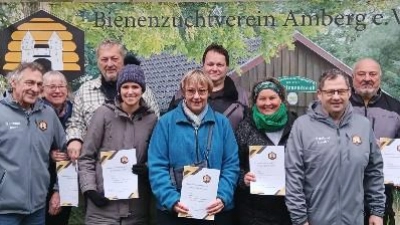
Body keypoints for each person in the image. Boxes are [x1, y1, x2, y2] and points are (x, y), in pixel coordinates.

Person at [285, 69, 385, 225]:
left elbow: (374, 172)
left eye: (341, 91)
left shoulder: (363, 126)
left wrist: (377, 211)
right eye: (330, 92)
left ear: (349, 92)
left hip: (354, 220)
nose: (336, 97)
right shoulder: (302, 126)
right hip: (315, 220)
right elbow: (293, 176)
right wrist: (300, 219)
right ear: (319, 94)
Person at [149, 69, 239, 225]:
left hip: (215, 210)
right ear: (183, 92)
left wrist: (222, 196)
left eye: (202, 91)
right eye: (191, 91)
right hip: (175, 212)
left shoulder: (222, 123)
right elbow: (156, 166)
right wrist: (171, 200)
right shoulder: (166, 123)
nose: (196, 96)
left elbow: (231, 164)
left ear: (209, 92)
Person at [78, 64, 157, 224]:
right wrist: (90, 189)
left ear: (142, 90)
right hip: (102, 211)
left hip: (136, 211)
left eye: (135, 87)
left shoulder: (151, 119)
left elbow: (158, 158)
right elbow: (86, 157)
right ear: (119, 89)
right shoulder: (103, 114)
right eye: (125, 86)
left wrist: (147, 168)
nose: (130, 91)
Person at [66, 39, 160, 161]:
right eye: (104, 60)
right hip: (97, 166)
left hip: (135, 166)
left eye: (114, 59)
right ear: (98, 62)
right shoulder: (85, 91)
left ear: (123, 61)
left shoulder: (144, 92)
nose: (109, 64)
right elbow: (76, 123)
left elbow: (156, 127)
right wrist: (74, 139)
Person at [0, 62, 66, 225]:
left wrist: (59, 190)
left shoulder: (48, 114)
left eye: (39, 84)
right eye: (29, 83)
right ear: (13, 83)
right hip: (5, 211)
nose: (35, 89)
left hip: (37, 209)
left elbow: (65, 151)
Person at [235, 77, 295, 225]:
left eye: (272, 98)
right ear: (255, 101)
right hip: (253, 210)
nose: (268, 103)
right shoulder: (246, 126)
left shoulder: (296, 124)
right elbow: (232, 162)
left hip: (289, 208)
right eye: (262, 99)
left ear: (281, 98)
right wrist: (243, 178)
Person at [350, 58, 400, 225]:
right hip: (342, 195)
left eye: (372, 74)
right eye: (361, 74)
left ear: (380, 77)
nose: (367, 78)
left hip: (382, 195)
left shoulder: (395, 108)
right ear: (352, 77)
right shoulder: (338, 105)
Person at [169, 43, 248, 130]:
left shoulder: (241, 96)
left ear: (227, 68)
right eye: (210, 64)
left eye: (219, 65)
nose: (214, 69)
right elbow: (168, 129)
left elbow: (251, 132)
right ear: (203, 66)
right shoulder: (182, 95)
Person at [41, 71, 73, 225]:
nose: (57, 90)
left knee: (59, 220)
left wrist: (60, 190)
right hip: (40, 178)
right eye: (52, 87)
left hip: (69, 174)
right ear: (42, 90)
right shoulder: (35, 112)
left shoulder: (75, 112)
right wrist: (48, 154)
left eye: (61, 86)